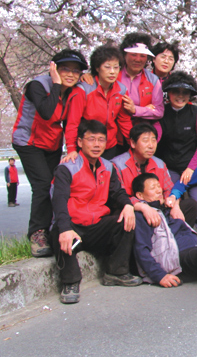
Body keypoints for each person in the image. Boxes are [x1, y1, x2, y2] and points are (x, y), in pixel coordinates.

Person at [51, 120, 142, 304]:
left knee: (126, 219)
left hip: (96, 226)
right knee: (58, 233)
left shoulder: (107, 167)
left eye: (101, 140)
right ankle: (70, 282)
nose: (96, 144)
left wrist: (128, 205)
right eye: (91, 139)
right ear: (79, 142)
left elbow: (118, 192)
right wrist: (65, 228)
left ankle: (116, 272)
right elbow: (59, 200)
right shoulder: (67, 167)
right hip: (74, 225)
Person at [12, 49, 87, 257]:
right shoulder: (38, 85)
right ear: (54, 68)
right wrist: (55, 83)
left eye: (76, 71)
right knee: (42, 185)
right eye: (65, 69)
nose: (71, 75)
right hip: (29, 142)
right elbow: (46, 112)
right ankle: (37, 233)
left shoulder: (73, 90)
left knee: (54, 185)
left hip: (52, 144)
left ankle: (54, 229)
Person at [112, 123, 197, 236]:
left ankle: (175, 241)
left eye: (153, 141)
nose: (151, 145)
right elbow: (119, 196)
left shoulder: (159, 163)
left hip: (160, 208)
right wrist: (143, 207)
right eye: (145, 140)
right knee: (126, 215)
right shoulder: (117, 165)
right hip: (135, 209)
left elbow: (169, 189)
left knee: (190, 205)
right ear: (133, 143)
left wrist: (175, 205)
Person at [154, 71, 197, 233]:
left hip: (193, 168)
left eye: (185, 93)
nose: (180, 96)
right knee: (170, 202)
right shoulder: (162, 113)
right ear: (168, 93)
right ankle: (175, 238)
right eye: (176, 92)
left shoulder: (196, 114)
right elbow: (155, 137)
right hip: (169, 167)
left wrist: (191, 168)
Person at [64, 45, 132, 161]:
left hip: (110, 144)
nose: (112, 72)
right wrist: (71, 149)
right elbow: (72, 123)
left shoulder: (121, 90)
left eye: (116, 68)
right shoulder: (84, 90)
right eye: (107, 67)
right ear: (97, 68)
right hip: (87, 144)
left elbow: (124, 120)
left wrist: (133, 143)